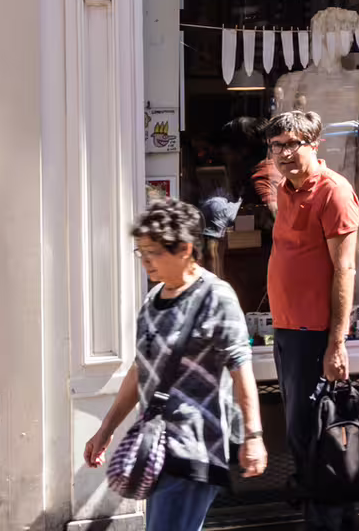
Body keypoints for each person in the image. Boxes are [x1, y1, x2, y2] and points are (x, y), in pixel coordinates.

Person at [84, 199, 268, 531]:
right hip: (157, 446)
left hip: (197, 446)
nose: (146, 262)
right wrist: (106, 429)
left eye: (154, 252)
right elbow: (140, 369)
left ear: (185, 249)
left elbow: (242, 372)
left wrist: (253, 436)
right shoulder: (152, 301)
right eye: (141, 253)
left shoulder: (217, 297)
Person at [263, 110, 359, 531]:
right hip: (287, 331)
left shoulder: (334, 191)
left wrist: (336, 344)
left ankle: (332, 525)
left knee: (320, 439)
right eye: (276, 145)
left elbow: (345, 271)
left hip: (315, 334)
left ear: (313, 144)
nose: (283, 153)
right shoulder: (285, 188)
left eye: (291, 144)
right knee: (302, 437)